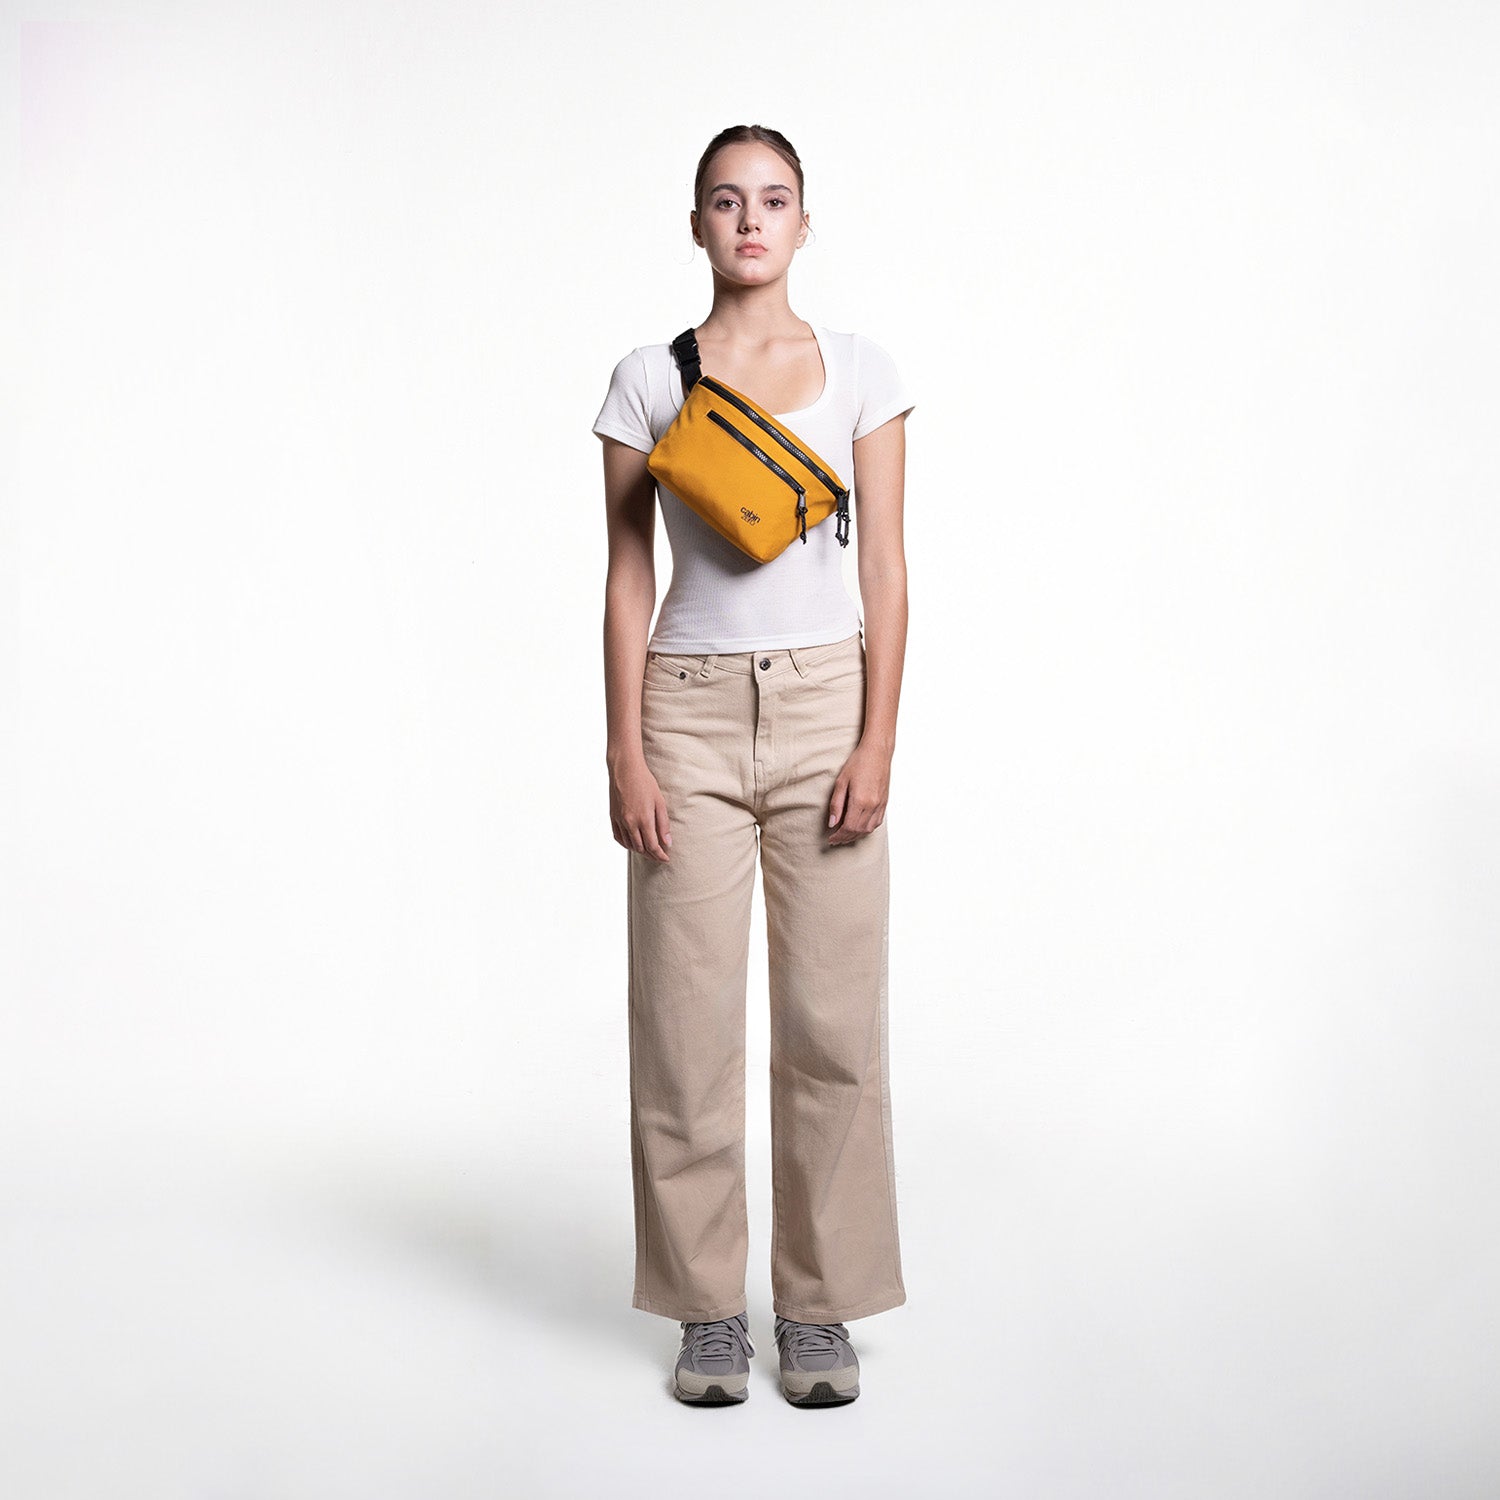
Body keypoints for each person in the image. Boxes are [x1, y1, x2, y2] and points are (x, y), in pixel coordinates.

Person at [592, 124, 914, 1407]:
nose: (749, 221)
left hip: (828, 703)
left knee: (833, 1026)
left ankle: (820, 1308)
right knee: (686, 1029)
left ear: (804, 222)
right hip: (685, 712)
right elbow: (627, 575)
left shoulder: (863, 371)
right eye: (726, 201)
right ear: (696, 225)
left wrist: (878, 737)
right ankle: (708, 1311)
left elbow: (885, 567)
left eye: (773, 200)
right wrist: (624, 749)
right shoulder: (647, 379)